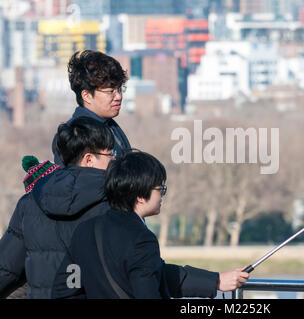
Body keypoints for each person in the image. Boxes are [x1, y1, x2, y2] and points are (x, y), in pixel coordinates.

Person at [52, 151, 249, 299]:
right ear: (139, 195)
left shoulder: (85, 230)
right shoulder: (141, 239)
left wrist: (215, 281)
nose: (162, 194)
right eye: (160, 188)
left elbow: (66, 288)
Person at [0, 117, 116, 298]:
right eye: (110, 154)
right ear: (89, 159)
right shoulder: (114, 202)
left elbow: (6, 268)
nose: (114, 159)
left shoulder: (28, 203)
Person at [52, 50, 131, 166]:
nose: (118, 96)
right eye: (110, 91)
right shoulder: (74, 135)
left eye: (119, 89)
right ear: (87, 96)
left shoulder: (109, 125)